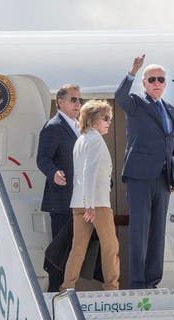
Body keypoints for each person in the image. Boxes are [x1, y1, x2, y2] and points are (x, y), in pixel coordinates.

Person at [114, 54, 174, 289]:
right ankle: (137, 283)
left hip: (163, 179)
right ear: (144, 83)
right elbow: (119, 97)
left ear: (165, 83)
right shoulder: (136, 103)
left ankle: (153, 282)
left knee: (157, 233)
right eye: (151, 79)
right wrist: (132, 71)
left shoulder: (171, 110)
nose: (156, 83)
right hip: (139, 177)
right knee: (139, 232)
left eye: (160, 79)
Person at [60, 100, 120, 291]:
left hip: (79, 202)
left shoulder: (81, 139)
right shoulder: (95, 140)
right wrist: (90, 205)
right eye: (106, 118)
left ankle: (67, 286)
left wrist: (85, 203)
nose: (109, 122)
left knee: (78, 248)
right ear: (94, 120)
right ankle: (111, 287)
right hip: (97, 203)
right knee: (111, 246)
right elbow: (89, 172)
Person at [37, 84, 82, 292]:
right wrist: (53, 173)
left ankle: (67, 290)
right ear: (60, 102)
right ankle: (55, 293)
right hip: (61, 200)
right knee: (60, 250)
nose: (78, 104)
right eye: (73, 100)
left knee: (75, 250)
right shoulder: (54, 126)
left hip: (78, 199)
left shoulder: (79, 126)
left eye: (79, 100)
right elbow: (42, 158)